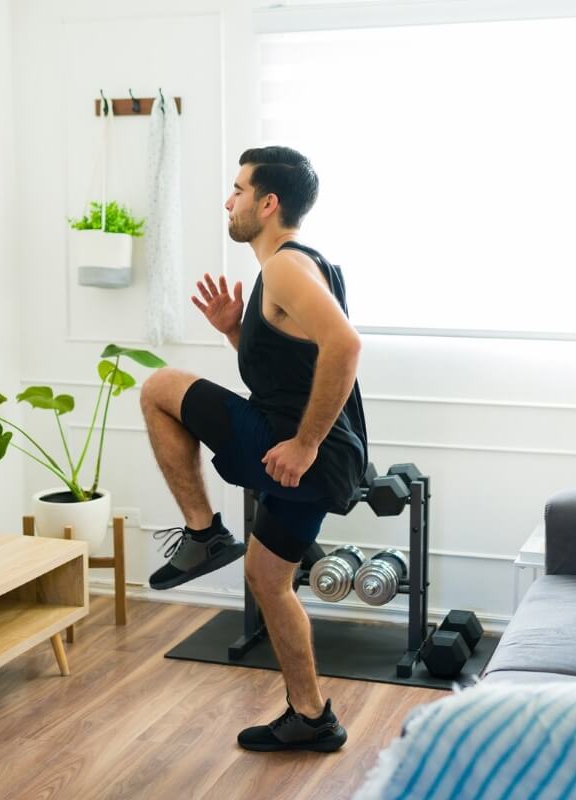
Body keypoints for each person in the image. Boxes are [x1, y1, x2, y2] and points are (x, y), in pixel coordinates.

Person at [140, 146, 366, 753]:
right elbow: (290, 373)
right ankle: (312, 717)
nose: (228, 201)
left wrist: (305, 443)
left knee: (159, 388)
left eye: (238, 190)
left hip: (297, 450)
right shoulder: (301, 268)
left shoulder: (288, 267)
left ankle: (203, 532)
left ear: (268, 204)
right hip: (315, 458)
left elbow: (345, 346)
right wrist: (236, 330)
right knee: (268, 577)